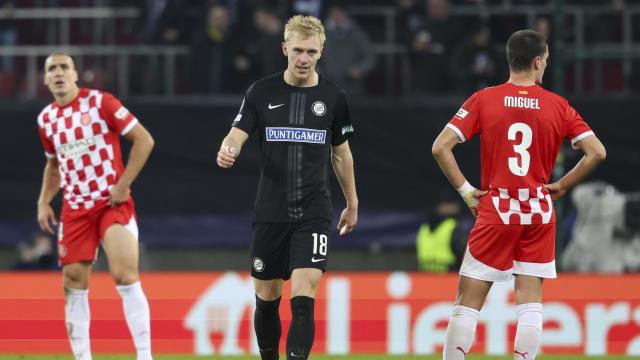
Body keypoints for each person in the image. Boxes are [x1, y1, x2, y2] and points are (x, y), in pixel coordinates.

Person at [432, 29, 606, 360]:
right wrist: (562, 185)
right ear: (538, 61)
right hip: (539, 210)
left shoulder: (485, 99)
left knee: (468, 300)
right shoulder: (559, 105)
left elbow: (441, 147)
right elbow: (596, 152)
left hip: (497, 208)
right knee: (530, 300)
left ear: (509, 59)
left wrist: (468, 193)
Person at [216, 15, 358, 360]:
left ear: (321, 52)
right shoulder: (261, 92)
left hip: (314, 209)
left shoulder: (333, 97)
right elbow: (237, 132)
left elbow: (341, 154)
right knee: (266, 299)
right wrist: (228, 148)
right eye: (297, 50)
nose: (304, 58)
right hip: (271, 210)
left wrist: (352, 202)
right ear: (285, 49)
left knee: (304, 295)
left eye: (311, 51)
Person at [36, 52, 155, 360]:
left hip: (109, 202)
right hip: (74, 210)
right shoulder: (46, 119)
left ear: (75, 74)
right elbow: (53, 165)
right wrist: (43, 201)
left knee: (125, 275)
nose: (59, 72)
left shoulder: (101, 103)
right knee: (73, 283)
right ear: (45, 79)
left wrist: (124, 183)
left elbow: (144, 140)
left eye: (64, 67)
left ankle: (145, 356)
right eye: (52, 69)